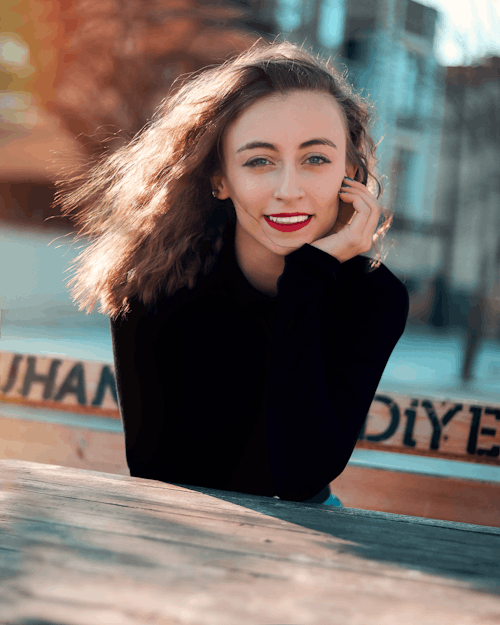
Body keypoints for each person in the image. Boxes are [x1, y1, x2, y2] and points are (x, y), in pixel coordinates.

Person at [57, 41, 409, 505]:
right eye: (259, 161)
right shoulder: (154, 279)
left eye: (316, 159)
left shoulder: (372, 297)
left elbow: (301, 476)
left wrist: (307, 277)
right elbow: (154, 467)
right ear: (219, 178)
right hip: (184, 525)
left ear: (351, 172)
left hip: (312, 534)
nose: (289, 190)